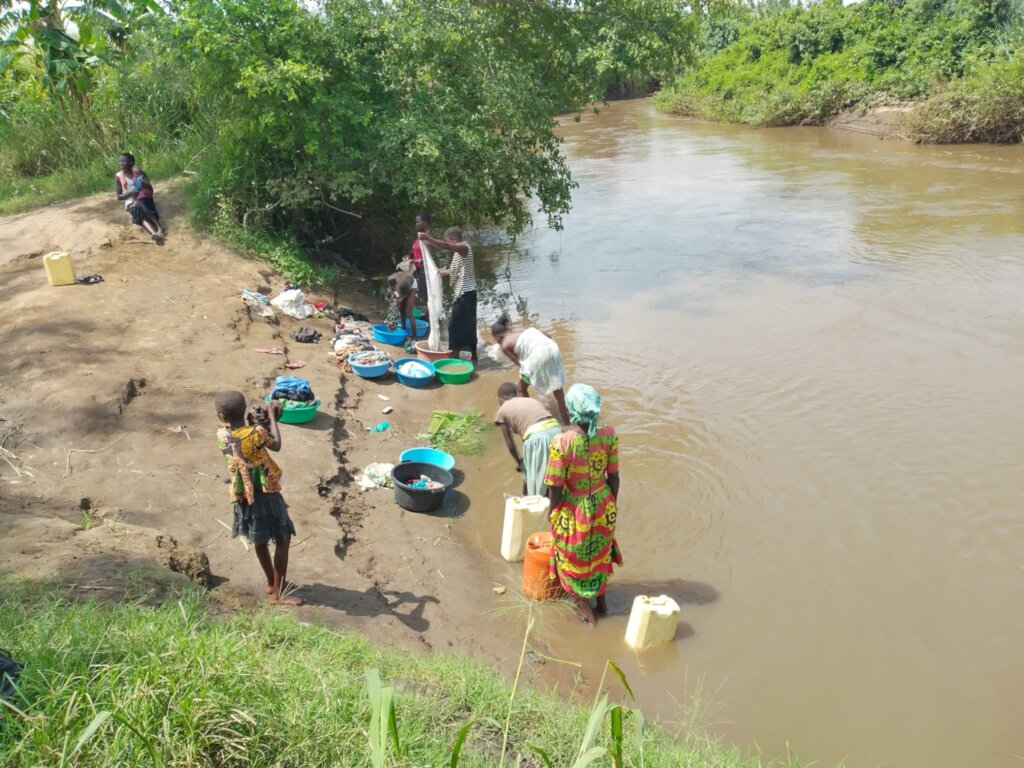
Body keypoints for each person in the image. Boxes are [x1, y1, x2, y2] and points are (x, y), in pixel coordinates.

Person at [214, 391, 303, 606]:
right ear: (245, 410)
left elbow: (244, 436)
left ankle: (272, 582)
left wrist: (255, 424)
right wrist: (272, 417)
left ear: (222, 417)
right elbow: (276, 444)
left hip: (243, 495)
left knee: (259, 539)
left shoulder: (221, 435)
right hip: (266, 494)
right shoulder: (257, 434)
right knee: (283, 538)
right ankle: (278, 595)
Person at [544, 384, 621, 625]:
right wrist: (610, 504)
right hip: (603, 503)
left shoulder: (562, 442)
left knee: (572, 557)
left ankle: (584, 608)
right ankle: (602, 604)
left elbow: (555, 485)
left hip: (575, 508)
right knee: (599, 553)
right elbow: (614, 476)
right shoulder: (609, 434)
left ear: (570, 410)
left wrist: (552, 511)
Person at [490, 314, 569, 424]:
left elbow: (521, 364)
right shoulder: (521, 327)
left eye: (495, 339)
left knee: (521, 388)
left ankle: (533, 419)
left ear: (498, 336)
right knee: (558, 391)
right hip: (552, 348)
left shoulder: (504, 345)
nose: (497, 342)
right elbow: (543, 335)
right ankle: (567, 423)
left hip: (539, 353)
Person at [418, 226, 478, 362]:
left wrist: (428, 238)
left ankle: (454, 356)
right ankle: (472, 354)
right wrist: (443, 272)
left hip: (465, 294)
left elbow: (446, 246)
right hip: (468, 294)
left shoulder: (463, 247)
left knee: (454, 325)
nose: (448, 244)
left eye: (448, 241)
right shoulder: (461, 252)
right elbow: (458, 267)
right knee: (468, 324)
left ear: (454, 239)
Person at [494, 382, 563, 496]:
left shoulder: (503, 410)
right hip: (557, 431)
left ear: (502, 397)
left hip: (538, 436)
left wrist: (519, 462)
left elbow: (510, 445)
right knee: (557, 474)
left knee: (538, 481)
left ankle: (536, 501)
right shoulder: (530, 400)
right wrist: (524, 462)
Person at [114, 152, 166, 241]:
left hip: (143, 198)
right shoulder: (119, 176)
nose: (121, 163)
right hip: (130, 202)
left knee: (140, 203)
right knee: (139, 212)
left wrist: (142, 183)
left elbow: (149, 188)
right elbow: (119, 196)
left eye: (123, 161)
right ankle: (154, 233)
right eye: (120, 161)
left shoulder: (137, 172)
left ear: (131, 162)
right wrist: (132, 192)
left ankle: (159, 228)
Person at [385, 269, 419, 351]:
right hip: (403, 285)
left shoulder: (408, 286)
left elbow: (404, 295)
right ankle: (403, 331)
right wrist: (393, 294)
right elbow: (391, 288)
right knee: (401, 309)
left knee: (409, 312)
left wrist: (399, 300)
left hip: (412, 285)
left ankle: (415, 336)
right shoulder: (391, 278)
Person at [409, 212, 431, 314]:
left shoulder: (428, 237)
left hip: (425, 270)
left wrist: (414, 261)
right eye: (415, 222)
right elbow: (416, 250)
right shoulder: (420, 235)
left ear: (425, 222)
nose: (416, 224)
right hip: (419, 269)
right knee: (422, 294)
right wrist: (409, 256)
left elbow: (428, 258)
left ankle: (430, 317)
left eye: (418, 222)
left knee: (427, 296)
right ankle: (427, 315)